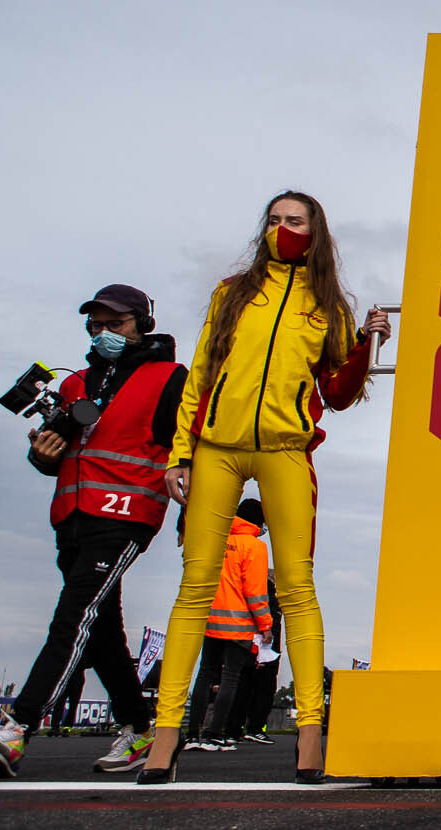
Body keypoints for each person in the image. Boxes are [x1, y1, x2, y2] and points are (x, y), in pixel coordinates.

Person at [139, 192, 389, 785]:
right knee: (194, 587)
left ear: (316, 232)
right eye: (274, 220)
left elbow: (339, 393)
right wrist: (180, 453)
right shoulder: (231, 292)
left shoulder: (329, 305)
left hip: (286, 450)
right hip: (216, 449)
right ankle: (166, 734)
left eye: (294, 221)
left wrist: (365, 345)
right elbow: (201, 373)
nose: (282, 229)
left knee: (297, 588)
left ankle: (310, 733)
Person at [0, 287, 182, 778]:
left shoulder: (170, 377)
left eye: (116, 324)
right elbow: (60, 455)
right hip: (72, 514)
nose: (104, 333)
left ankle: (17, 728)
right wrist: (42, 454)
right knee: (102, 628)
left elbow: (185, 447)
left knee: (73, 617)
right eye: (96, 325)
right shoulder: (75, 384)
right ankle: (140, 729)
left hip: (126, 512)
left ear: (142, 324)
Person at [184, 497, 273, 751]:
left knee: (205, 674)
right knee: (230, 677)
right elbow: (255, 590)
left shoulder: (218, 538)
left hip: (210, 617)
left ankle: (192, 734)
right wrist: (265, 625)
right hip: (239, 621)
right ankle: (214, 734)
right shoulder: (254, 547)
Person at [239, 577, 283, 743]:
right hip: (263, 650)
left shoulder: (252, 598)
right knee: (262, 691)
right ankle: (255, 728)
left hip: (256, 648)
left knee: (245, 690)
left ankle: (235, 730)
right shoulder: (268, 600)